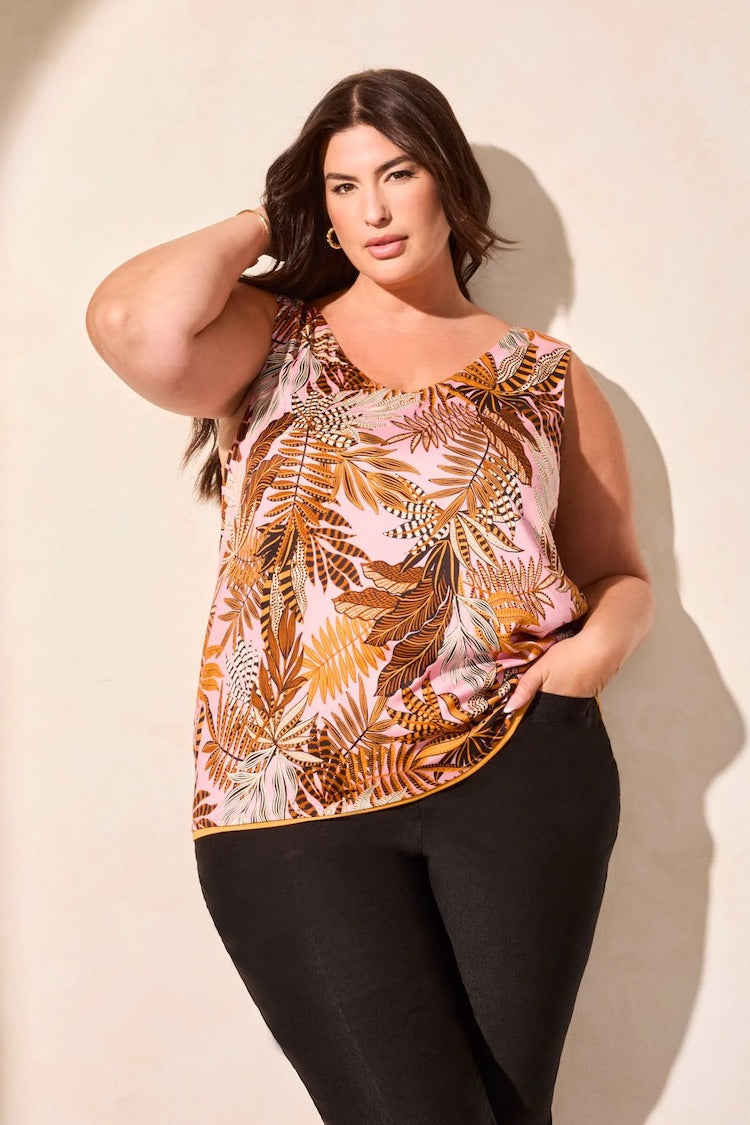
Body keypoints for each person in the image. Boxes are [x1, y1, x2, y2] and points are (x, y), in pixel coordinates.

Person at [86, 68, 654, 1125]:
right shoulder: (267, 336)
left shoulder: (544, 377)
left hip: (517, 772)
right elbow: (131, 321)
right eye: (344, 187)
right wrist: (277, 215)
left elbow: (618, 571)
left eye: (398, 174)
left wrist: (591, 659)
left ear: (450, 183)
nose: (376, 208)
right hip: (286, 796)